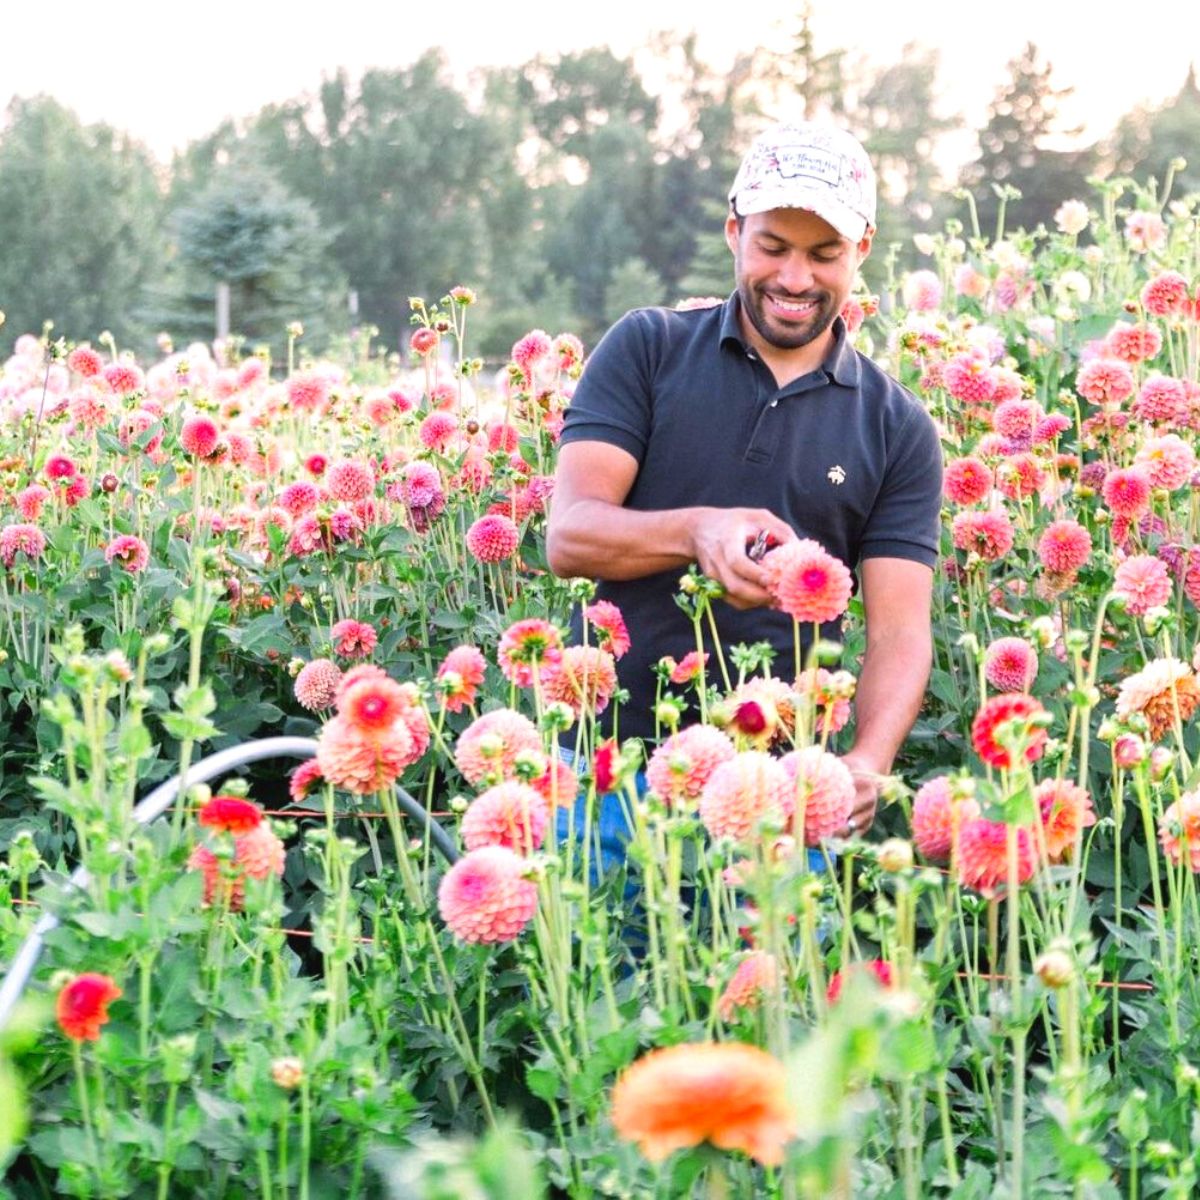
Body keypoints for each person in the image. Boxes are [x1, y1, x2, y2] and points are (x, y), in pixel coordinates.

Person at [546, 121, 942, 843]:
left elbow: (899, 632)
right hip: (607, 771)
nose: (795, 279)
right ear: (734, 231)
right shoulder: (649, 348)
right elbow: (570, 535)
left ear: (863, 251)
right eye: (772, 247)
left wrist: (867, 760)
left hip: (780, 792)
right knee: (596, 956)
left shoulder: (896, 427)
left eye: (824, 255)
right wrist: (697, 531)